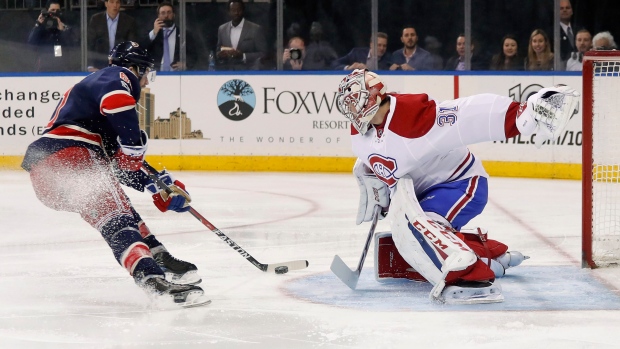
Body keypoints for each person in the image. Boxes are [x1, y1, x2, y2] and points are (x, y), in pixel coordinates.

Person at [335, 69, 579, 304]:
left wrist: (518, 114)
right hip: (422, 194)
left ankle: (472, 276)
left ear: (376, 96)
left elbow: (466, 115)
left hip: (460, 183)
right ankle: (487, 253)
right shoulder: (359, 132)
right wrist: (370, 172)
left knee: (421, 228)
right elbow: (382, 154)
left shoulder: (411, 117)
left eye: (355, 100)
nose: (351, 109)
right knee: (412, 238)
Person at [20, 41, 208, 307]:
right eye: (144, 73)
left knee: (117, 210)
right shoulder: (116, 76)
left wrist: (157, 185)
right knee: (118, 217)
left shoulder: (94, 110)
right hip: (70, 157)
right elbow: (117, 103)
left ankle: (156, 255)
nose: (143, 82)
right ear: (134, 67)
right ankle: (152, 279)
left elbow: (122, 168)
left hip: (48, 174)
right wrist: (133, 148)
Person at [145, 1, 197, 71]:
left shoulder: (184, 34)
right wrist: (154, 33)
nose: (166, 15)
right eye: (163, 13)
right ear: (158, 16)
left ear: (174, 15)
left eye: (169, 12)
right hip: (156, 74)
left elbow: (193, 55)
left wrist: (186, 64)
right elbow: (142, 49)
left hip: (177, 74)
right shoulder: (152, 33)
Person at [87, 0, 138, 72]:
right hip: (99, 65)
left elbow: (131, 46)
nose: (115, 5)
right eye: (112, 2)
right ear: (106, 4)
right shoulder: (96, 20)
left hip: (121, 65)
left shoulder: (129, 21)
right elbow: (90, 43)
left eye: (117, 2)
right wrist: (90, 65)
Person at [216, 0, 267, 70]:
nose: (236, 13)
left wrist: (243, 56)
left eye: (239, 10)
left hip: (249, 72)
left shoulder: (255, 29)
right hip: (227, 73)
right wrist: (220, 55)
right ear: (228, 12)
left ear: (243, 10)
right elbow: (218, 50)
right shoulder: (222, 29)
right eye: (233, 10)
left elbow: (263, 54)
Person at [27, 0, 75, 72]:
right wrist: (38, 24)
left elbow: (72, 45)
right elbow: (31, 43)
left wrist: (62, 31)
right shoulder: (41, 27)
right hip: (44, 67)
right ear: (47, 11)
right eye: (52, 10)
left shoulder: (65, 27)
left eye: (57, 10)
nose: (55, 13)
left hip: (62, 68)